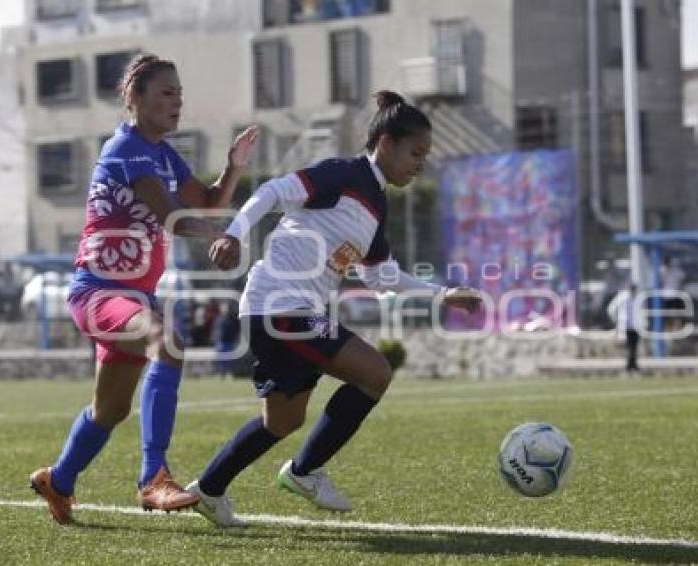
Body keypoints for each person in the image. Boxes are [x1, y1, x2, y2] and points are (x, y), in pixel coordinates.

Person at [185, 90, 482, 527]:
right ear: (385, 143)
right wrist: (233, 233)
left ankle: (208, 489)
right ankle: (305, 473)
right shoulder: (344, 175)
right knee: (375, 373)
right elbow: (272, 191)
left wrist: (442, 295)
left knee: (283, 421)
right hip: (280, 307)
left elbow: (381, 277)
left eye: (425, 156)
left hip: (282, 313)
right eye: (415, 153)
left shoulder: (376, 204)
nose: (420, 164)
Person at [29, 53, 260, 525]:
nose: (178, 102)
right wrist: (221, 235)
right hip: (97, 293)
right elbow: (169, 214)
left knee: (109, 410)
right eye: (167, 92)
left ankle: (59, 480)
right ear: (136, 98)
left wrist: (234, 167)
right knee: (168, 340)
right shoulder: (126, 147)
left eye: (180, 93)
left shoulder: (163, 154)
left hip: (133, 299)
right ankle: (153, 478)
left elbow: (212, 202)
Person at [607, 283, 642, 373]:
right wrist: (616, 320)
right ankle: (630, 366)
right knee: (630, 347)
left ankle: (633, 365)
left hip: (635, 326)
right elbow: (611, 309)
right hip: (626, 326)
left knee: (634, 347)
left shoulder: (637, 298)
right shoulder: (622, 297)